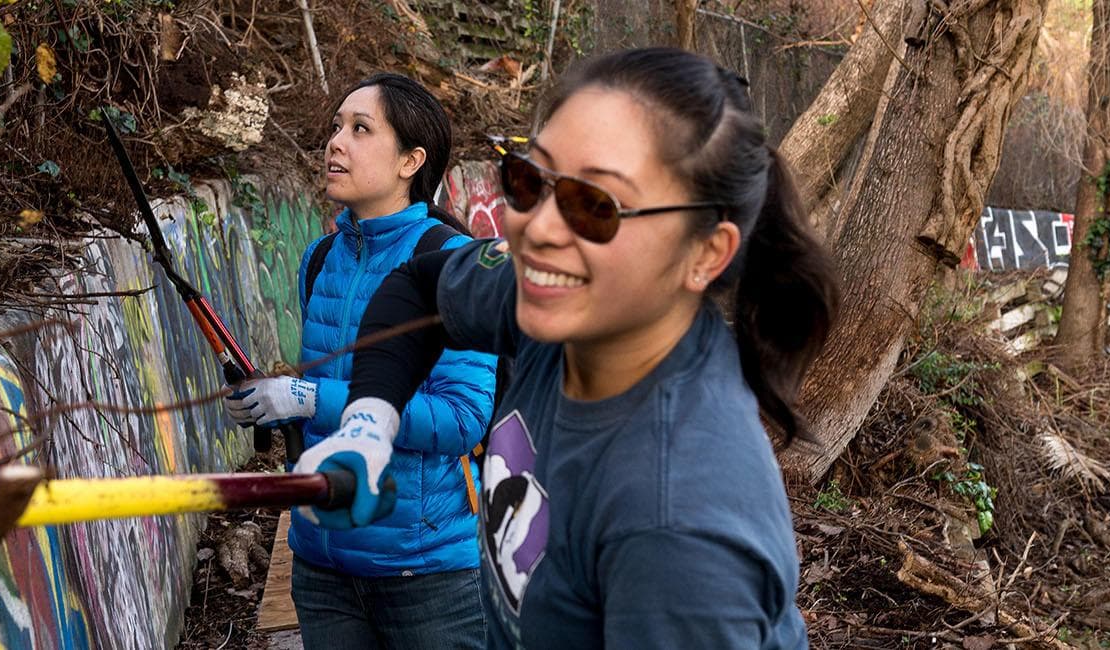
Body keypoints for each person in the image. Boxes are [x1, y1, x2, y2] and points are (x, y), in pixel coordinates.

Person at [292, 48, 839, 648]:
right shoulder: (563, 301)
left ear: (706, 253)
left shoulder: (676, 524)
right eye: (531, 180)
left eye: (595, 206)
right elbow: (421, 287)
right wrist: (369, 424)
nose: (538, 228)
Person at [224, 73, 496, 649]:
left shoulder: (452, 267)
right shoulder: (320, 258)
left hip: (424, 571)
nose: (335, 142)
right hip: (321, 563)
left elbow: (461, 419)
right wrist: (273, 406)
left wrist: (312, 398)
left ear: (410, 161)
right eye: (336, 126)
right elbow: (324, 398)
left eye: (361, 129)